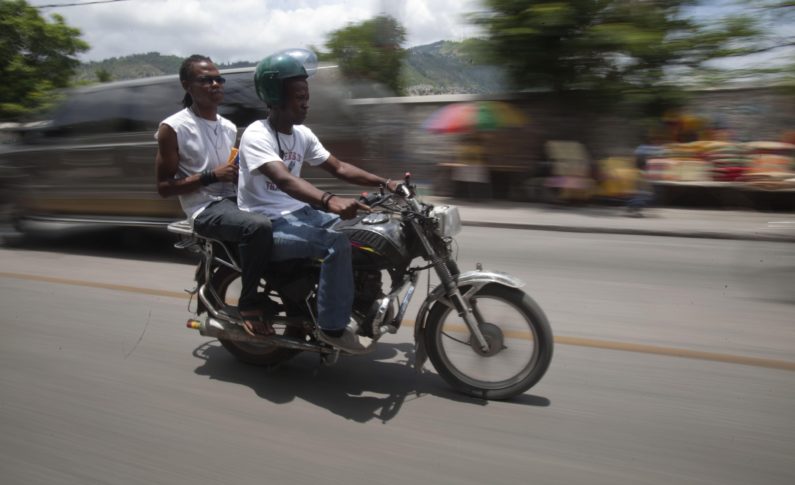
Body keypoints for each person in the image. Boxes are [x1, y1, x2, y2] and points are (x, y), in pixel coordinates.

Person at [237, 49, 397, 354]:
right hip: (268, 224)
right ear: (276, 97)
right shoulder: (257, 135)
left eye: (306, 95)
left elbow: (338, 167)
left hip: (301, 214)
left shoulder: (302, 134)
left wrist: (385, 183)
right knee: (334, 245)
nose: (306, 102)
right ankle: (333, 328)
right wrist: (329, 199)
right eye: (299, 96)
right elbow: (284, 179)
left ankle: (366, 299)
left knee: (363, 232)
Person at [155, 55, 274, 336]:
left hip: (234, 201)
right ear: (187, 85)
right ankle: (248, 303)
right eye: (205, 80)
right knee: (257, 227)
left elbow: (230, 173)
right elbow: (164, 188)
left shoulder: (228, 127)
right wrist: (212, 176)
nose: (215, 84)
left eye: (218, 79)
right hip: (204, 209)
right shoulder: (172, 128)